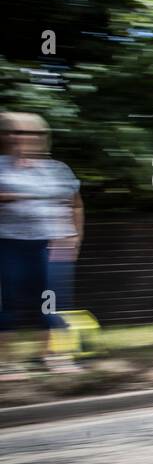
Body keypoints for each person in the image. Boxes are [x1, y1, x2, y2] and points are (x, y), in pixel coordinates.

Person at [0, 112, 82, 378]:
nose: (25, 138)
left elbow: (75, 205)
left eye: (33, 133)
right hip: (10, 244)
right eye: (19, 132)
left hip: (51, 245)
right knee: (7, 304)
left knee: (52, 302)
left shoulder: (57, 170)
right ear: (7, 136)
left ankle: (52, 356)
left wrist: (75, 237)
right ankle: (5, 363)